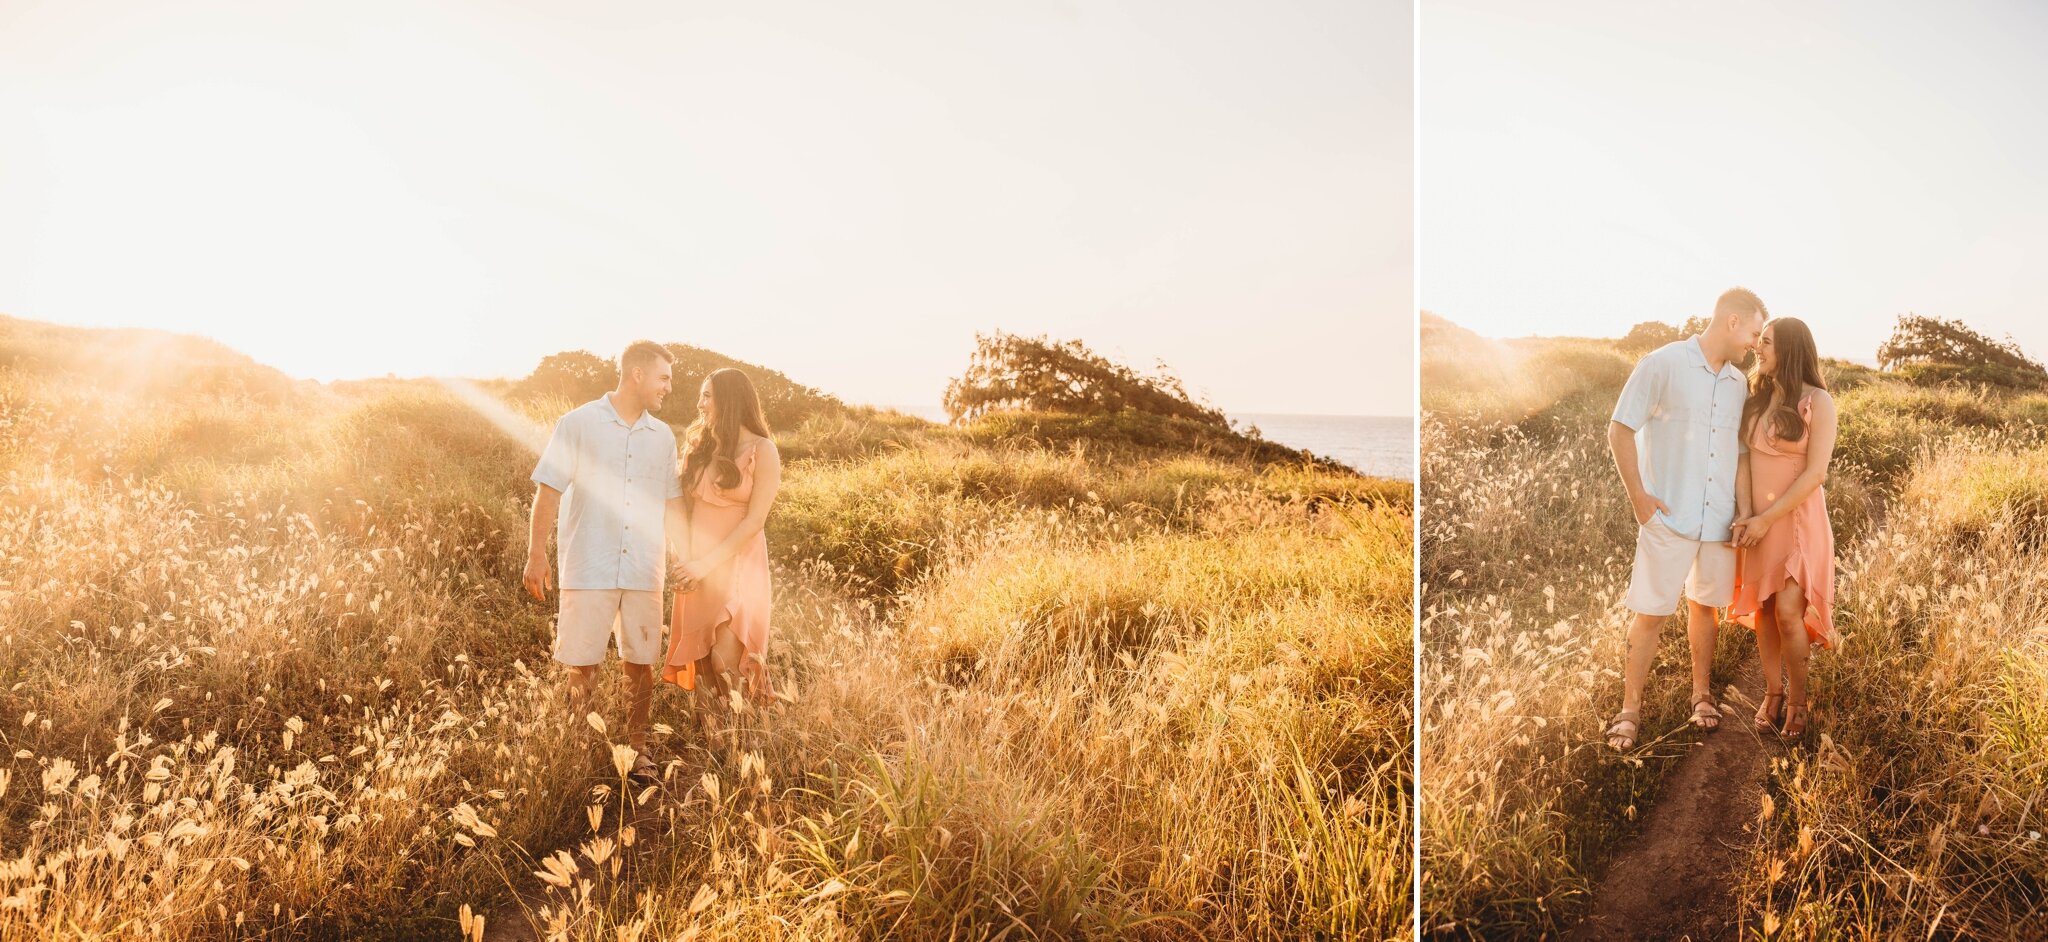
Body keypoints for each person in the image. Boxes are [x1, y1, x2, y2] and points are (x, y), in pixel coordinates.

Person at [1604, 288, 1767, 751]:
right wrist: (1639, 498)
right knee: (1651, 613)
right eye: (1754, 333)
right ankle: (1630, 711)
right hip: (1667, 516)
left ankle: (1701, 696)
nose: (1755, 345)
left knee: (1704, 608)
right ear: (1732, 321)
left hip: (1717, 521)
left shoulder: (1738, 384)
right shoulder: (1662, 363)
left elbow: (1738, 455)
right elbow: (1619, 428)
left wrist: (1744, 509)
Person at [524, 340, 684, 780]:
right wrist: (537, 554)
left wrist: (681, 554)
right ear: (637, 374)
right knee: (583, 661)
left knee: (640, 661)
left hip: (643, 566)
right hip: (589, 561)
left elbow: (672, 504)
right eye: (663, 377)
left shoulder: (664, 436)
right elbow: (549, 490)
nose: (668, 386)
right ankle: (579, 747)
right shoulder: (578, 423)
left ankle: (638, 748)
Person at [1729, 317, 1838, 738]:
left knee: (1790, 613)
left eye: (1767, 342)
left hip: (1795, 522)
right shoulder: (1756, 397)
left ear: (1789, 349)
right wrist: (1745, 513)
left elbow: (1815, 475)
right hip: (1757, 520)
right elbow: (1742, 460)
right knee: (1766, 609)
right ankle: (1773, 692)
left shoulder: (1817, 402)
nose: (1758, 347)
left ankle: (1797, 701)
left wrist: (1765, 519)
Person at [664, 367, 782, 713]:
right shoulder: (699, 448)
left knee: (726, 664)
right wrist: (684, 559)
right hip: (696, 567)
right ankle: (715, 752)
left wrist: (703, 565)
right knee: (702, 670)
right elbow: (678, 512)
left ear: (729, 401)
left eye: (707, 396)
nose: (699, 404)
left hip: (739, 565)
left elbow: (755, 522)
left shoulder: (763, 450)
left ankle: (743, 746)